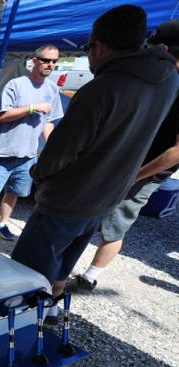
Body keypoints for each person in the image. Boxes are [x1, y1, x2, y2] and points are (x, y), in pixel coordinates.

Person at [10, 4, 179, 323]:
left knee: (30, 270)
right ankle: (52, 313)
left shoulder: (100, 89)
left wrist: (39, 176)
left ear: (99, 46)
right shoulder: (169, 81)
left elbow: (58, 154)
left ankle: (24, 325)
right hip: (107, 196)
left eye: (88, 48)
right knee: (65, 261)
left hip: (68, 198)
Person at [71, 19, 179, 292]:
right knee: (88, 214)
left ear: (164, 49)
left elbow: (177, 151)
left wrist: (135, 176)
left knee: (114, 223)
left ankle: (89, 277)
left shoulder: (170, 82)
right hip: (125, 162)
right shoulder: (162, 81)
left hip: (143, 171)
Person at [0, 45, 63, 240]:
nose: (50, 65)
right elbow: (2, 115)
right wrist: (32, 108)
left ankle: (2, 224)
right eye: (46, 60)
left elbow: (48, 122)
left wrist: (52, 146)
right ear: (34, 61)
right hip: (3, 152)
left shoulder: (52, 89)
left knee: (14, 192)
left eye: (54, 61)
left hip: (28, 155)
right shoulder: (16, 84)